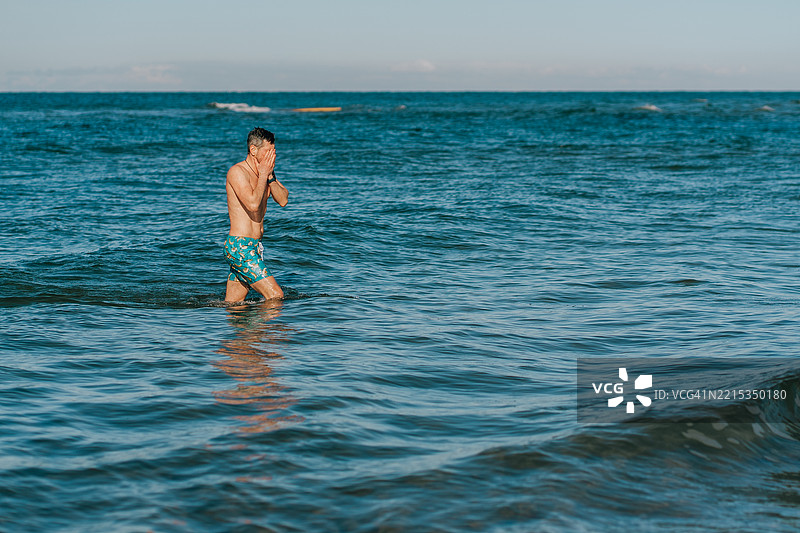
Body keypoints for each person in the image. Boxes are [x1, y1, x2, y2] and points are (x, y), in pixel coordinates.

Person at [224, 127, 289, 302]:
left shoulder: (266, 174)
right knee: (275, 296)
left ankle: (240, 330)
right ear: (253, 150)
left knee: (234, 305)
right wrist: (262, 175)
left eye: (274, 151)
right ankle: (262, 331)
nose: (272, 156)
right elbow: (253, 204)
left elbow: (283, 200)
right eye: (268, 151)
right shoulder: (237, 172)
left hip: (255, 246)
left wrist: (269, 177)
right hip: (240, 247)